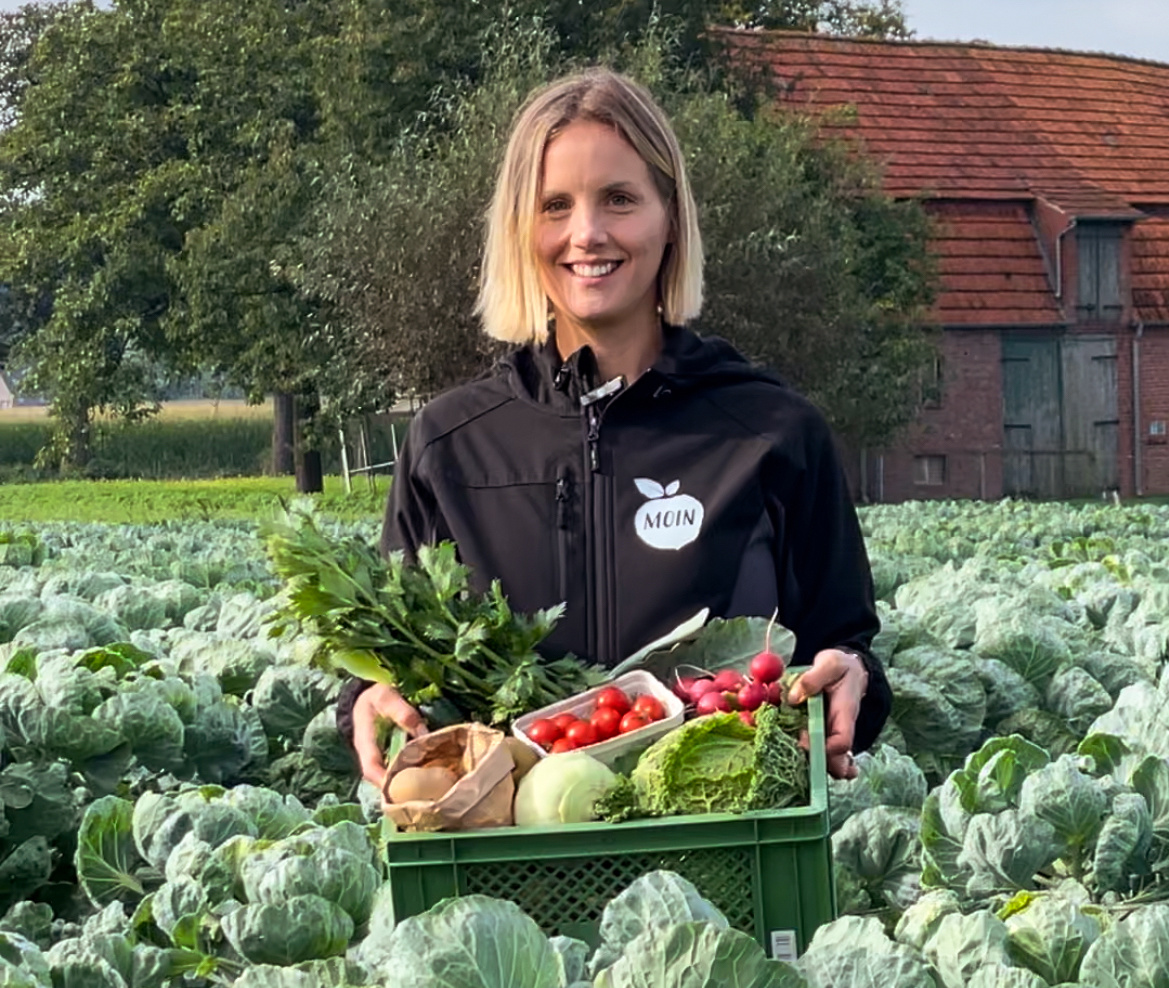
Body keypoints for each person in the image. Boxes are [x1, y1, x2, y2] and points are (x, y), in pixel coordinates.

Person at [340, 68, 891, 788]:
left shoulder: (773, 431)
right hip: (507, 839)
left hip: (724, 829)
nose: (587, 233)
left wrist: (851, 677)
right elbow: (391, 665)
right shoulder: (448, 445)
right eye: (555, 205)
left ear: (670, 217)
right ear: (519, 229)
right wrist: (366, 697)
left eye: (620, 200)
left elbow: (842, 645)